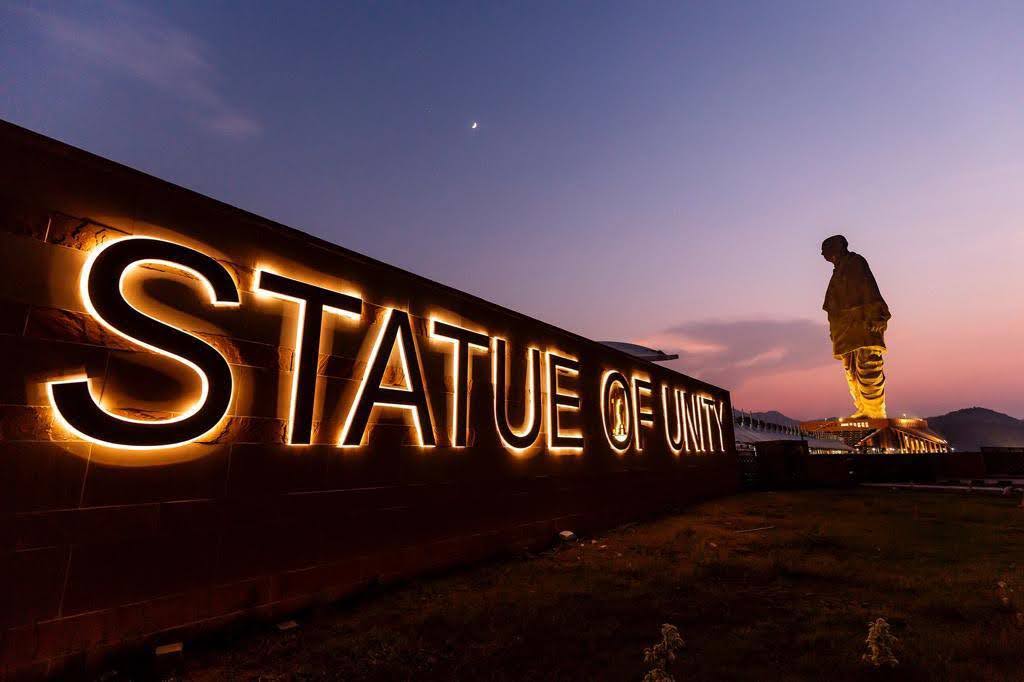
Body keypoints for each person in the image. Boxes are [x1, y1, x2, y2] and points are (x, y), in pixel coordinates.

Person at [820, 235, 891, 419]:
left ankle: (875, 411)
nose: (822, 253)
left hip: (862, 322)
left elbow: (869, 289)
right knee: (850, 370)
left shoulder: (855, 263)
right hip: (843, 328)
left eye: (826, 248)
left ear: (838, 247)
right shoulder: (837, 272)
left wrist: (878, 316)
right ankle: (863, 408)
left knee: (868, 366)